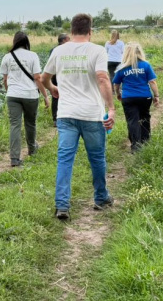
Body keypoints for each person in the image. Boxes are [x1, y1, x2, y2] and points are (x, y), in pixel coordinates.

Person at [41, 13, 116, 220]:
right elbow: (102, 78)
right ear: (90, 31)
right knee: (97, 157)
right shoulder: (97, 50)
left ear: (72, 30)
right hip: (92, 114)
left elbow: (44, 77)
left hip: (66, 114)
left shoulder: (59, 51)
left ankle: (62, 205)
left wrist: (52, 88)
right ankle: (101, 197)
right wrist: (111, 108)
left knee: (65, 159)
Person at [0, 32, 49, 167]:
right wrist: (45, 95)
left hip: (13, 95)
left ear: (14, 41)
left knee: (15, 125)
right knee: (30, 123)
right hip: (30, 95)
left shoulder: (7, 57)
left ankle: (14, 158)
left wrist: (9, 90)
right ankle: (32, 149)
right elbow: (38, 78)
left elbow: (5, 79)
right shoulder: (33, 56)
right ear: (27, 42)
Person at [113, 43, 159, 152]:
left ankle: (136, 146)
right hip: (144, 97)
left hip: (128, 98)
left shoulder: (122, 67)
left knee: (132, 121)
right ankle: (145, 141)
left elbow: (116, 84)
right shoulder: (146, 65)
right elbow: (152, 81)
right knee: (144, 118)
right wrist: (156, 95)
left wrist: (118, 94)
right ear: (140, 52)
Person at [49, 33, 70, 126]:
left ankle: (55, 119)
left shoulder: (53, 50)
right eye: (69, 39)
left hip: (55, 75)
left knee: (55, 97)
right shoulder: (68, 49)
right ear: (65, 40)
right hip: (66, 75)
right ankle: (66, 117)